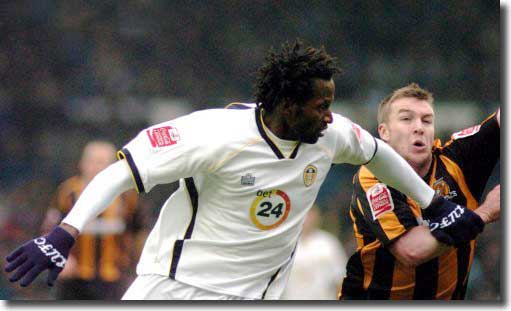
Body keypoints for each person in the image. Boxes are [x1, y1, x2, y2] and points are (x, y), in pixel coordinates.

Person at [4, 41, 483, 300]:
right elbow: (119, 172)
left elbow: (377, 153)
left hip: (258, 294)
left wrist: (434, 202)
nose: (328, 116)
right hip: (178, 288)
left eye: (330, 106)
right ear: (286, 104)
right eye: (319, 107)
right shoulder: (213, 135)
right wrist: (65, 233)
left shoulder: (330, 134)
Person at [339, 83, 500, 300]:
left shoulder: (456, 160)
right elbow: (412, 251)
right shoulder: (373, 176)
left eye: (427, 120)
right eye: (406, 119)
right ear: (384, 132)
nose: (419, 127)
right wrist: (484, 213)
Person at [40, 141, 141, 299]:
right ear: (82, 163)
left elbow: (139, 232)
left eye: (101, 162)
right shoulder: (67, 193)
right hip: (73, 280)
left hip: (113, 280)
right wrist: (58, 258)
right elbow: (49, 230)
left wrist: (139, 268)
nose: (96, 167)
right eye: (91, 161)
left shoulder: (127, 195)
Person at [281, 206, 347, 300]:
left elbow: (341, 279)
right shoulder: (284, 247)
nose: (306, 219)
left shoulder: (329, 243)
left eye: (310, 214)